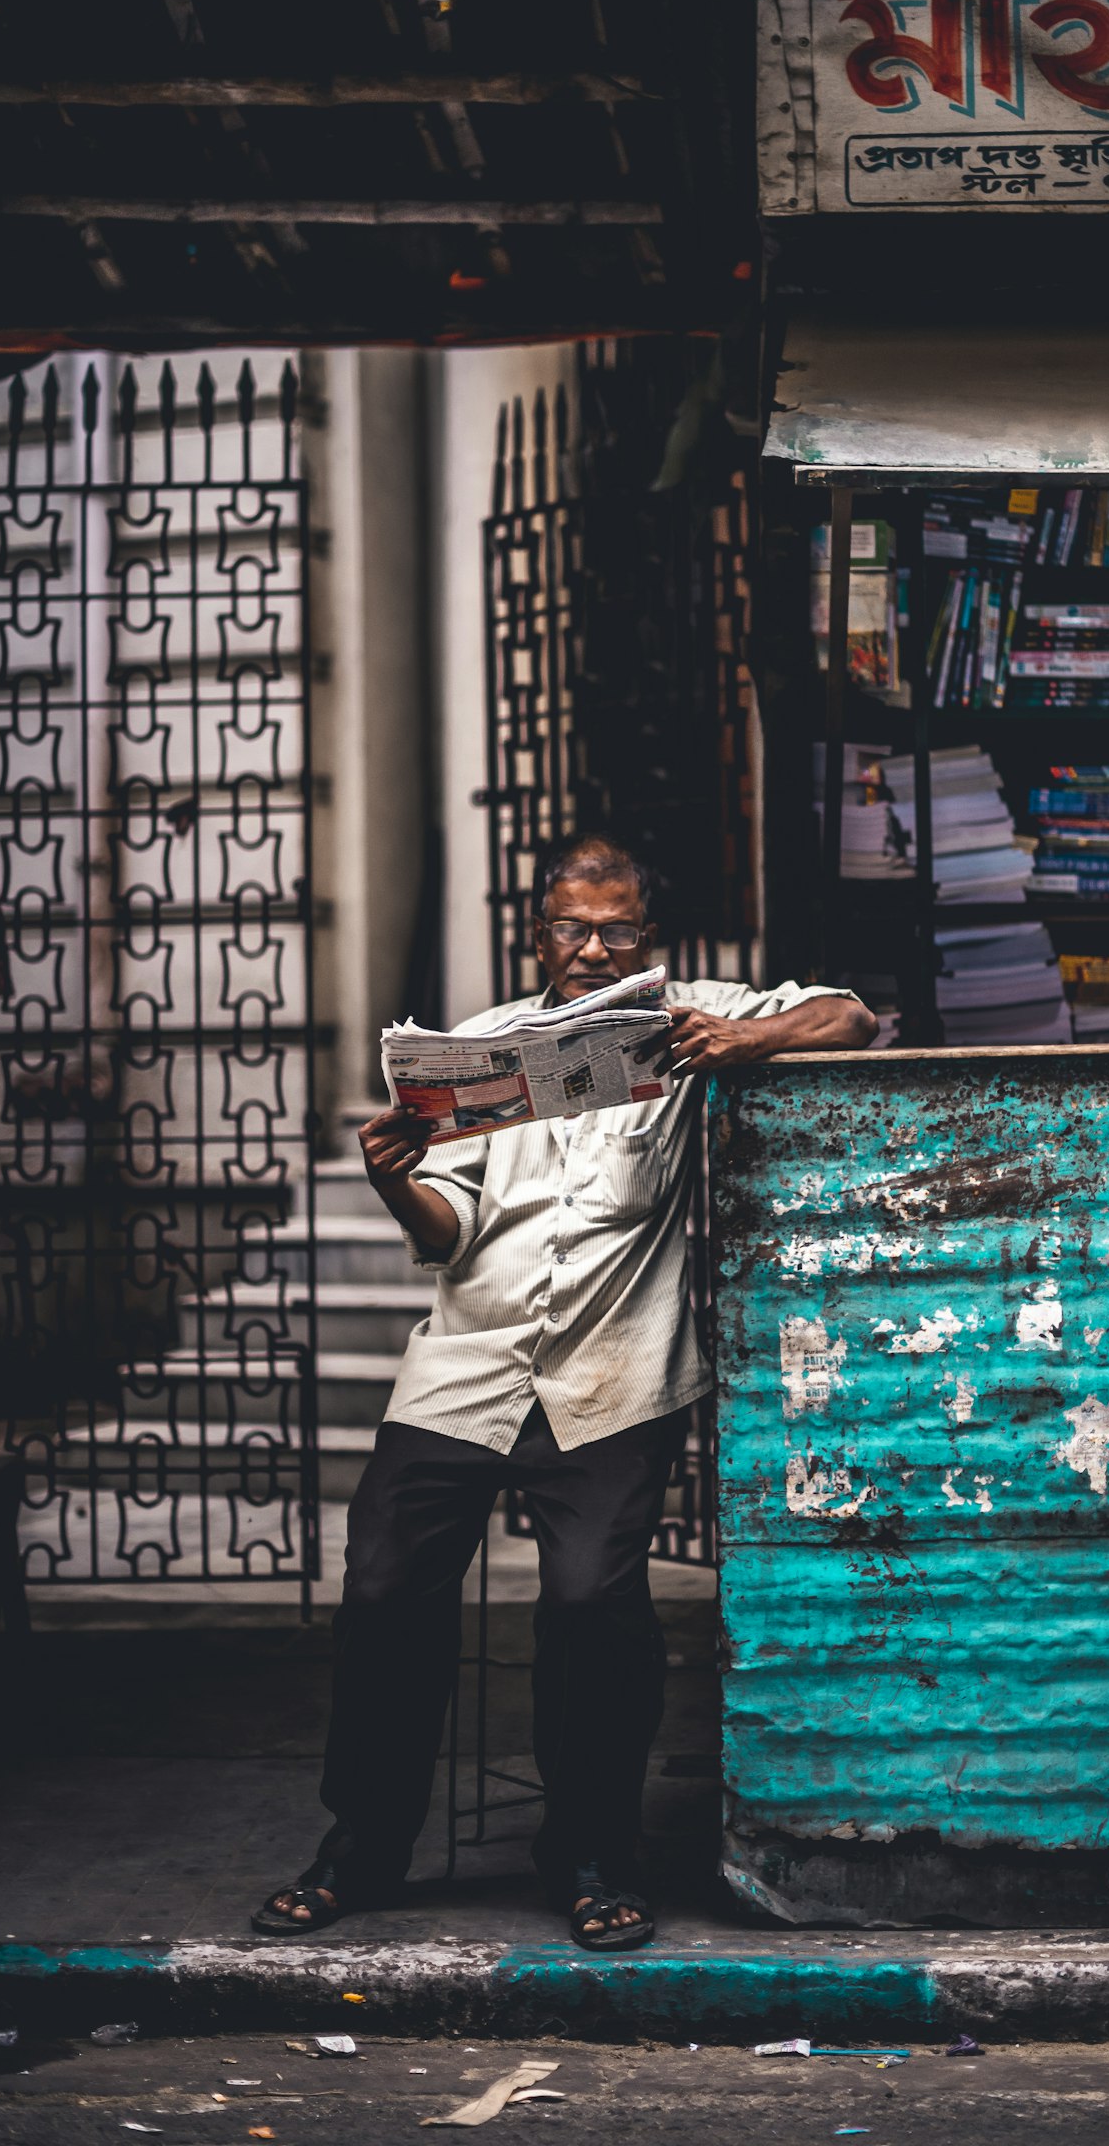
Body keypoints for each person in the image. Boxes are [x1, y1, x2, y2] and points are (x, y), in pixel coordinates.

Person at [253, 831, 875, 1952]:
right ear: (538, 931)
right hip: (466, 1365)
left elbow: (849, 1017)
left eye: (617, 929)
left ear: (652, 932)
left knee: (594, 1604)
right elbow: (449, 1234)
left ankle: (591, 1854)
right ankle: (363, 1845)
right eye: (570, 928)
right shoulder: (483, 1047)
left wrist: (747, 1037)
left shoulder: (690, 1014)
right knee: (386, 1584)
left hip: (612, 1373)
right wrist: (393, 1184)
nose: (592, 949)